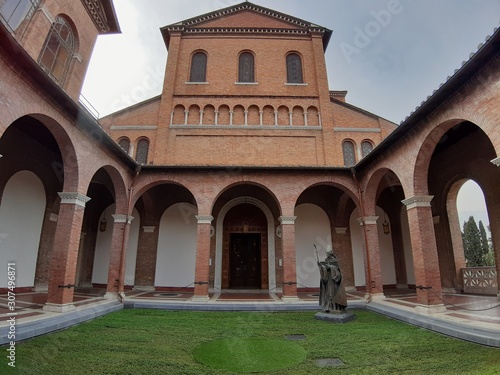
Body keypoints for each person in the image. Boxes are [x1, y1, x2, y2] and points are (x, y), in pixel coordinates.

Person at [317, 247, 347, 313]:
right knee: (328, 294)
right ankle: (328, 307)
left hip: (334, 281)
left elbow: (338, 271)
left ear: (331, 253)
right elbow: (324, 269)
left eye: (328, 254)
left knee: (334, 294)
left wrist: (330, 267)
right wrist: (321, 266)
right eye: (326, 254)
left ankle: (336, 307)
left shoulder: (335, 260)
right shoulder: (326, 260)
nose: (327, 255)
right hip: (328, 280)